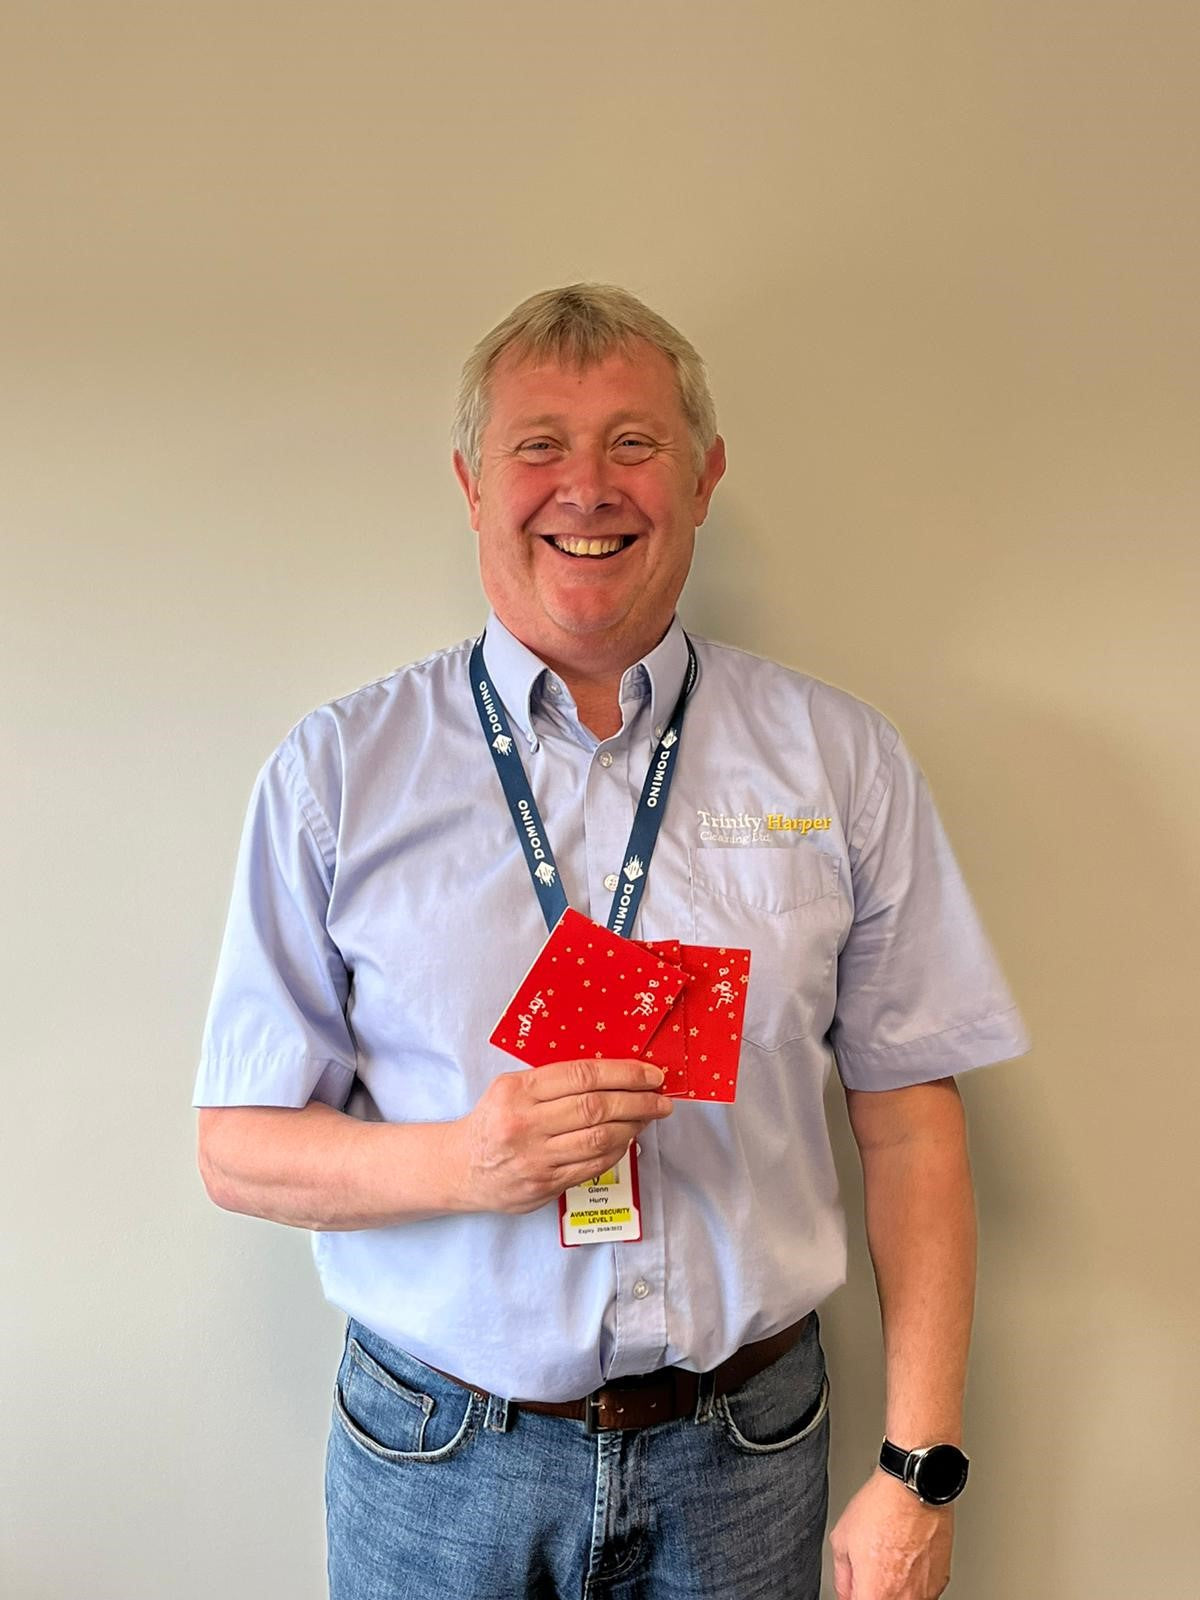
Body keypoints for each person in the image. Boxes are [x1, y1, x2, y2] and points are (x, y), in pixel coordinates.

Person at [194, 283, 1029, 1600]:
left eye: (633, 444)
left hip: (749, 1455)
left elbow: (912, 1121)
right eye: (540, 446)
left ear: (703, 477)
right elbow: (237, 1147)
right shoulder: (335, 776)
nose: (587, 487)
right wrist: (469, 1160)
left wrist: (919, 1465)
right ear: (473, 483)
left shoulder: (841, 757)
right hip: (440, 1461)